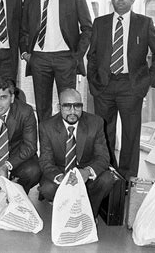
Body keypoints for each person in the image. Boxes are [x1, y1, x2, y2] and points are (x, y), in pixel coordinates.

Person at [87, 0, 155, 180]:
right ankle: (107, 174)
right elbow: (93, 55)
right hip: (104, 85)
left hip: (131, 86)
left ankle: (128, 177)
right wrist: (93, 81)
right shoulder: (100, 23)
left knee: (131, 135)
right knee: (104, 133)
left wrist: (148, 80)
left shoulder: (144, 23)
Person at [20, 0, 92, 123]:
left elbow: (87, 28)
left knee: (68, 107)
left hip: (65, 58)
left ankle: (66, 147)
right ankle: (46, 148)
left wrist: (76, 57)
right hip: (39, 58)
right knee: (42, 108)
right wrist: (25, 54)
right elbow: (23, 30)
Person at [38, 88, 114, 218]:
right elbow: (46, 160)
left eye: (77, 106)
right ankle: (65, 211)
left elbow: (103, 157)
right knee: (47, 188)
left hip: (85, 171)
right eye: (67, 106)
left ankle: (90, 213)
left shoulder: (96, 123)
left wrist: (87, 171)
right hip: (61, 170)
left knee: (107, 179)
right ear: (59, 107)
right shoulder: (47, 126)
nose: (73, 112)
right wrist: (61, 177)